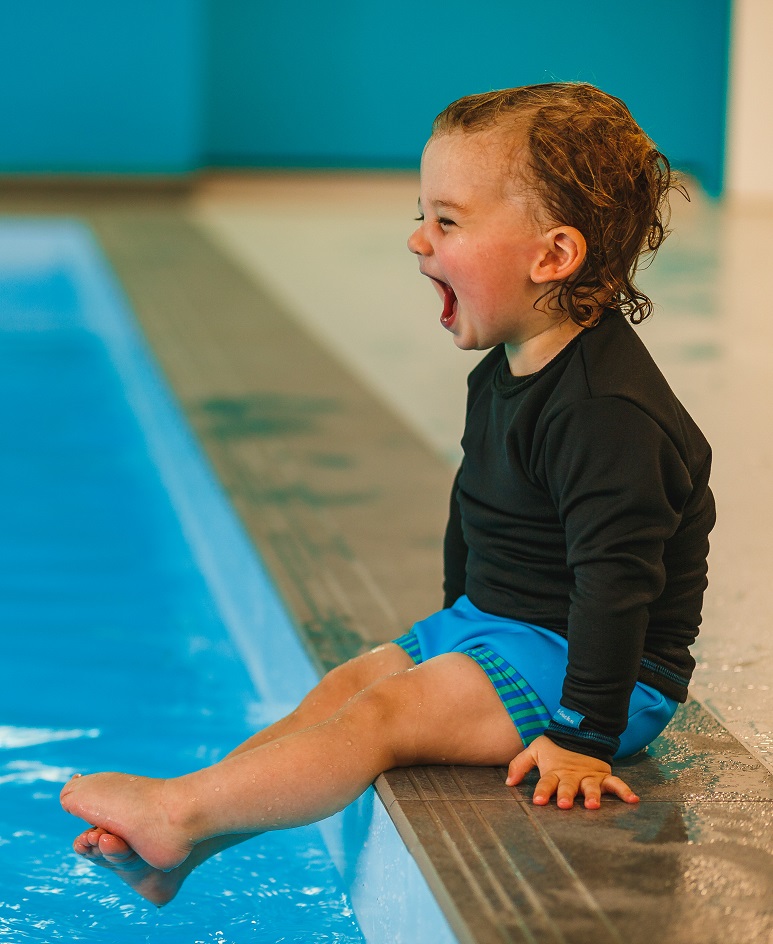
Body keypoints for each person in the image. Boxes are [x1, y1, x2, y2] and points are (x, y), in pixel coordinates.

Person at [60, 82, 715, 906]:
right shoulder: (505, 368)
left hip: (599, 675)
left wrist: (584, 738)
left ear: (551, 256)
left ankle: (179, 811)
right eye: (422, 213)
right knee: (347, 688)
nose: (416, 239)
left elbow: (618, 585)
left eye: (447, 220)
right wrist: (448, 630)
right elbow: (473, 511)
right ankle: (189, 843)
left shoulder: (606, 415)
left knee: (382, 718)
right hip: (503, 627)